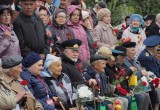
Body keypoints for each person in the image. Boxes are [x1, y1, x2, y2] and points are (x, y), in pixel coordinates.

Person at [122, 41, 150, 110]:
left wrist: (143, 73)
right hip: (128, 86)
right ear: (126, 51)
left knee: (146, 95)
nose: (134, 52)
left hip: (136, 84)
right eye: (132, 50)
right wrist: (140, 73)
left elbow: (139, 70)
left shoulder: (134, 60)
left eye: (135, 50)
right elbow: (128, 74)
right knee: (141, 96)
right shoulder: (123, 61)